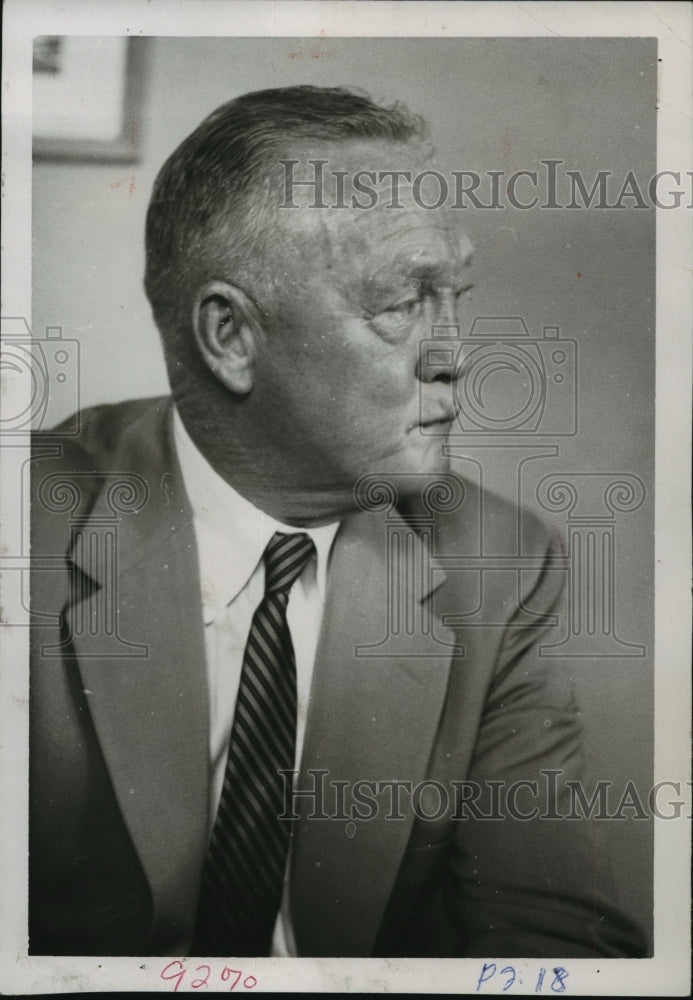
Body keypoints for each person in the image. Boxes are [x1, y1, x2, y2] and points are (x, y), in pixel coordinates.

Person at [29, 85, 647, 958]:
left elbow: (555, 942)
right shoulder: (28, 528)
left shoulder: (500, 563)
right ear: (230, 337)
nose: (453, 356)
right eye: (400, 304)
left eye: (453, 296)